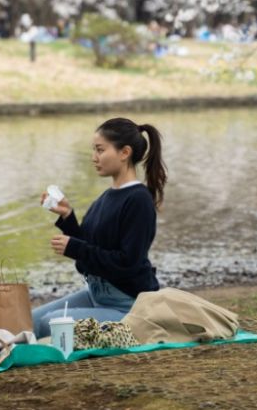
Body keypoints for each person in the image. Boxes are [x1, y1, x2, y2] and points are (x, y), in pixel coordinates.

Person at [31, 118, 166, 338]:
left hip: (128, 304)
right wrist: (67, 217)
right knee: (30, 321)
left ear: (124, 153)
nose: (94, 157)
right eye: (94, 150)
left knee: (50, 325)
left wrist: (74, 248)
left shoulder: (138, 200)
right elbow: (90, 246)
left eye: (100, 150)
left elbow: (127, 262)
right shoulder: (106, 197)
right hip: (97, 295)